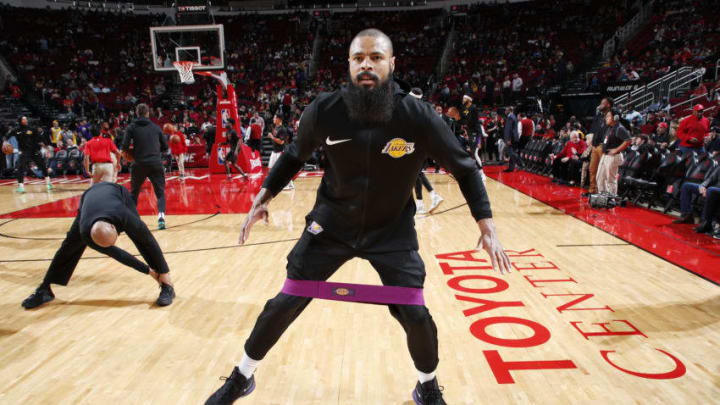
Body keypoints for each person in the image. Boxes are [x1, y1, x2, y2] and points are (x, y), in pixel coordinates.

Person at [204, 28, 511, 405]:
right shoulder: (326, 109)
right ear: (349, 64)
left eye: (376, 57)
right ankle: (241, 376)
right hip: (331, 225)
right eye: (358, 58)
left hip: (391, 230)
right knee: (286, 301)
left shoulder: (417, 115)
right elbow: (293, 156)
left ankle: (426, 386)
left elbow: (465, 167)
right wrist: (263, 196)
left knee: (416, 316)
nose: (367, 64)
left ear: (392, 64)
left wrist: (488, 226)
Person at [21, 182, 175, 309]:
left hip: (118, 194)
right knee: (69, 246)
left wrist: (160, 272)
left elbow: (148, 241)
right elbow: (118, 254)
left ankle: (167, 285)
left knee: (141, 239)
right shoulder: (86, 233)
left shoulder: (124, 216)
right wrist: (148, 271)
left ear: (115, 228)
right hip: (89, 198)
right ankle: (45, 289)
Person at [121, 103, 169, 230]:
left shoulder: (131, 127)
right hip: (155, 162)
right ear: (148, 113)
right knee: (160, 193)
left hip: (139, 163)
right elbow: (165, 147)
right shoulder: (156, 127)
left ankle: (131, 220)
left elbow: (125, 147)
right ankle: (161, 218)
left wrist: (131, 153)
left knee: (134, 193)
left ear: (136, 113)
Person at [583, 97, 613, 197]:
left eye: (603, 103)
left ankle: (602, 192)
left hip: (603, 146)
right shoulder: (598, 116)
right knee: (592, 169)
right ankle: (592, 191)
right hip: (595, 146)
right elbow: (593, 130)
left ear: (608, 105)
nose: (600, 105)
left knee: (602, 172)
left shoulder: (612, 115)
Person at [596, 111, 631, 196]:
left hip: (613, 156)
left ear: (615, 117)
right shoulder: (610, 127)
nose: (606, 118)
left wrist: (616, 149)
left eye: (608, 116)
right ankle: (603, 197)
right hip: (606, 155)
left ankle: (611, 198)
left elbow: (628, 140)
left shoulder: (619, 128)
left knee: (610, 180)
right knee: (600, 178)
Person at [14, 116, 52, 193]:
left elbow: (42, 138)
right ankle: (21, 187)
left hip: (34, 150)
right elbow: (7, 136)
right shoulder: (17, 130)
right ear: (20, 121)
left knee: (42, 166)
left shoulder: (32, 129)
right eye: (24, 119)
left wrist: (47, 149)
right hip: (24, 152)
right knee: (20, 167)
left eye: (26, 119)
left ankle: (48, 182)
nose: (26, 120)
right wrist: (5, 142)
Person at [267, 113, 293, 190]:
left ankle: (289, 184)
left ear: (279, 119)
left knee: (282, 169)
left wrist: (272, 137)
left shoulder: (282, 129)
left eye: (275, 118)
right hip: (274, 151)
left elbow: (281, 142)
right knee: (270, 168)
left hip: (280, 151)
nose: (273, 119)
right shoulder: (276, 127)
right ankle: (272, 184)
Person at [503, 106, 521, 172]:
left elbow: (509, 129)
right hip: (513, 138)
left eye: (506, 110)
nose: (505, 111)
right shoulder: (513, 116)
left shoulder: (510, 117)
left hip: (510, 139)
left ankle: (520, 163)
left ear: (509, 110)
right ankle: (511, 168)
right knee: (511, 152)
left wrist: (508, 139)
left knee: (511, 152)